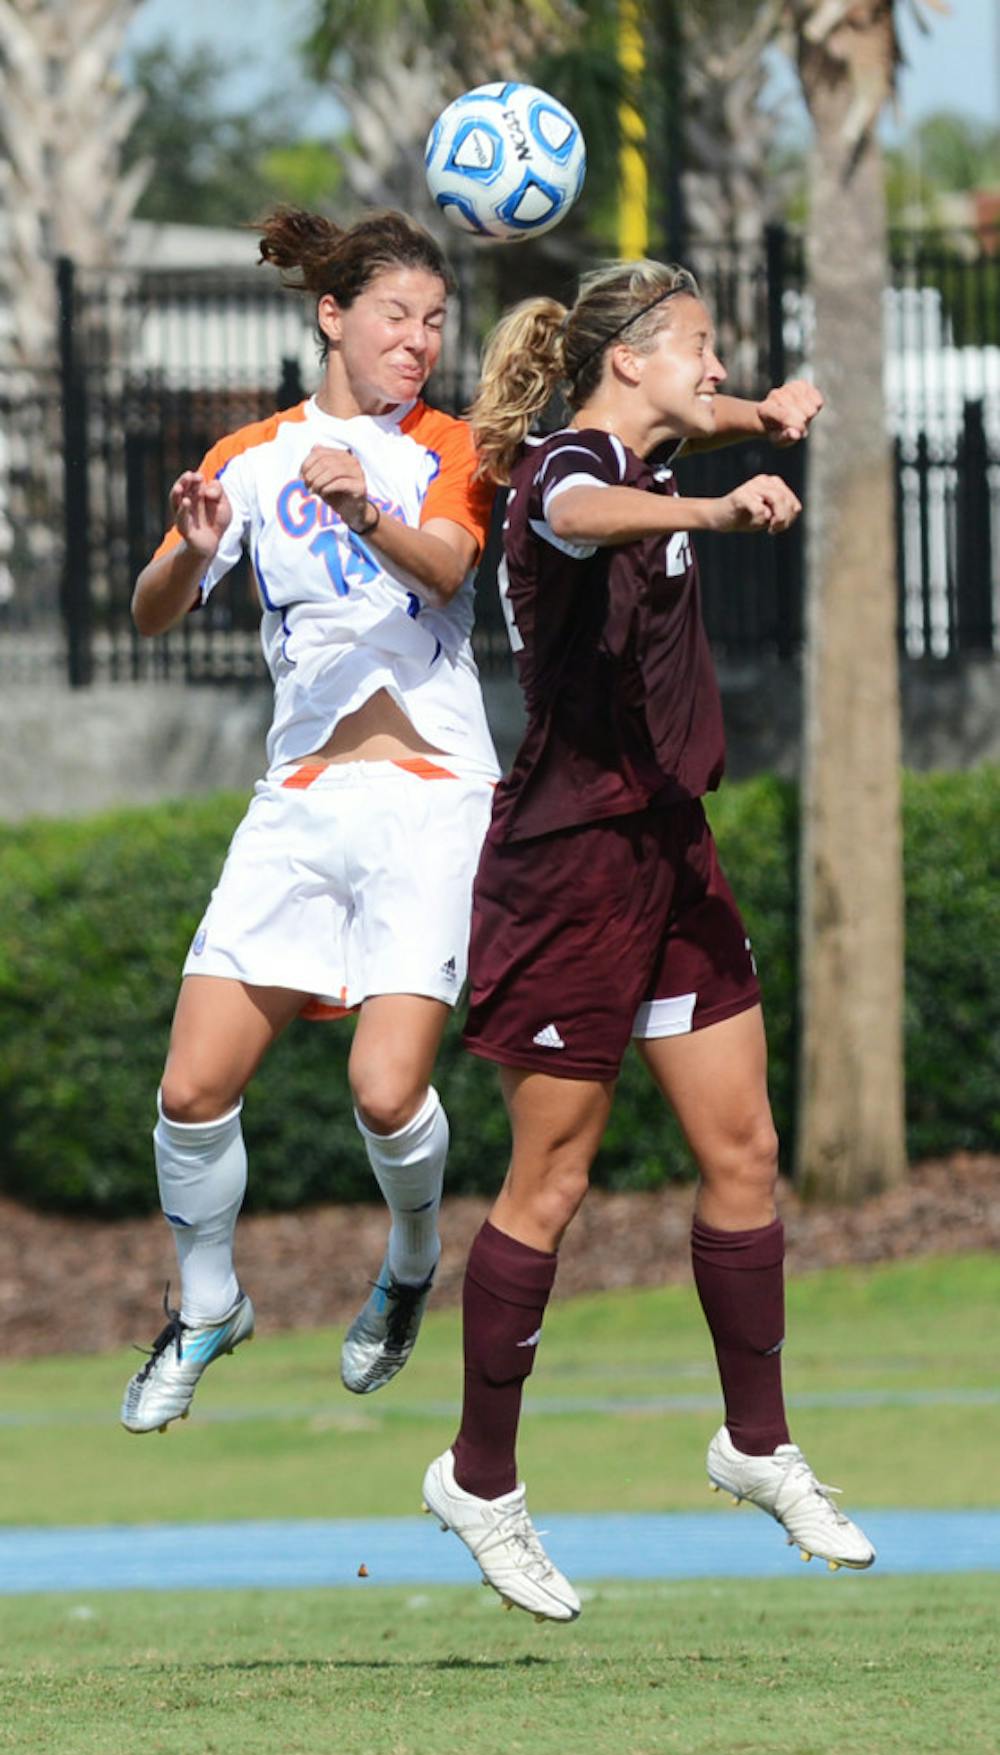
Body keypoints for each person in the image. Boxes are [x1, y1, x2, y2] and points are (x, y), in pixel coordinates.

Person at [421, 261, 876, 1621]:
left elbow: (712, 426)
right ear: (630, 361)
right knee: (550, 1182)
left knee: (744, 1152)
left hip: (674, 855)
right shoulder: (574, 467)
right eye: (699, 348)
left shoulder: (672, 435)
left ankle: (755, 1442)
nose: (717, 364)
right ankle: (481, 1479)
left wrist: (771, 416)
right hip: (569, 869)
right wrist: (713, 505)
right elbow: (575, 506)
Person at [120, 206, 500, 1434]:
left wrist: (362, 512)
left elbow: (443, 570)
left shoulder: (454, 442)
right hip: (298, 800)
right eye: (397, 315)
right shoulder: (252, 452)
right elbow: (151, 613)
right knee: (190, 1088)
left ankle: (406, 1262)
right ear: (331, 315)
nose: (420, 340)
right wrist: (188, 549)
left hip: (431, 794)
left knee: (386, 1092)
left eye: (436, 320)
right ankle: (209, 1303)